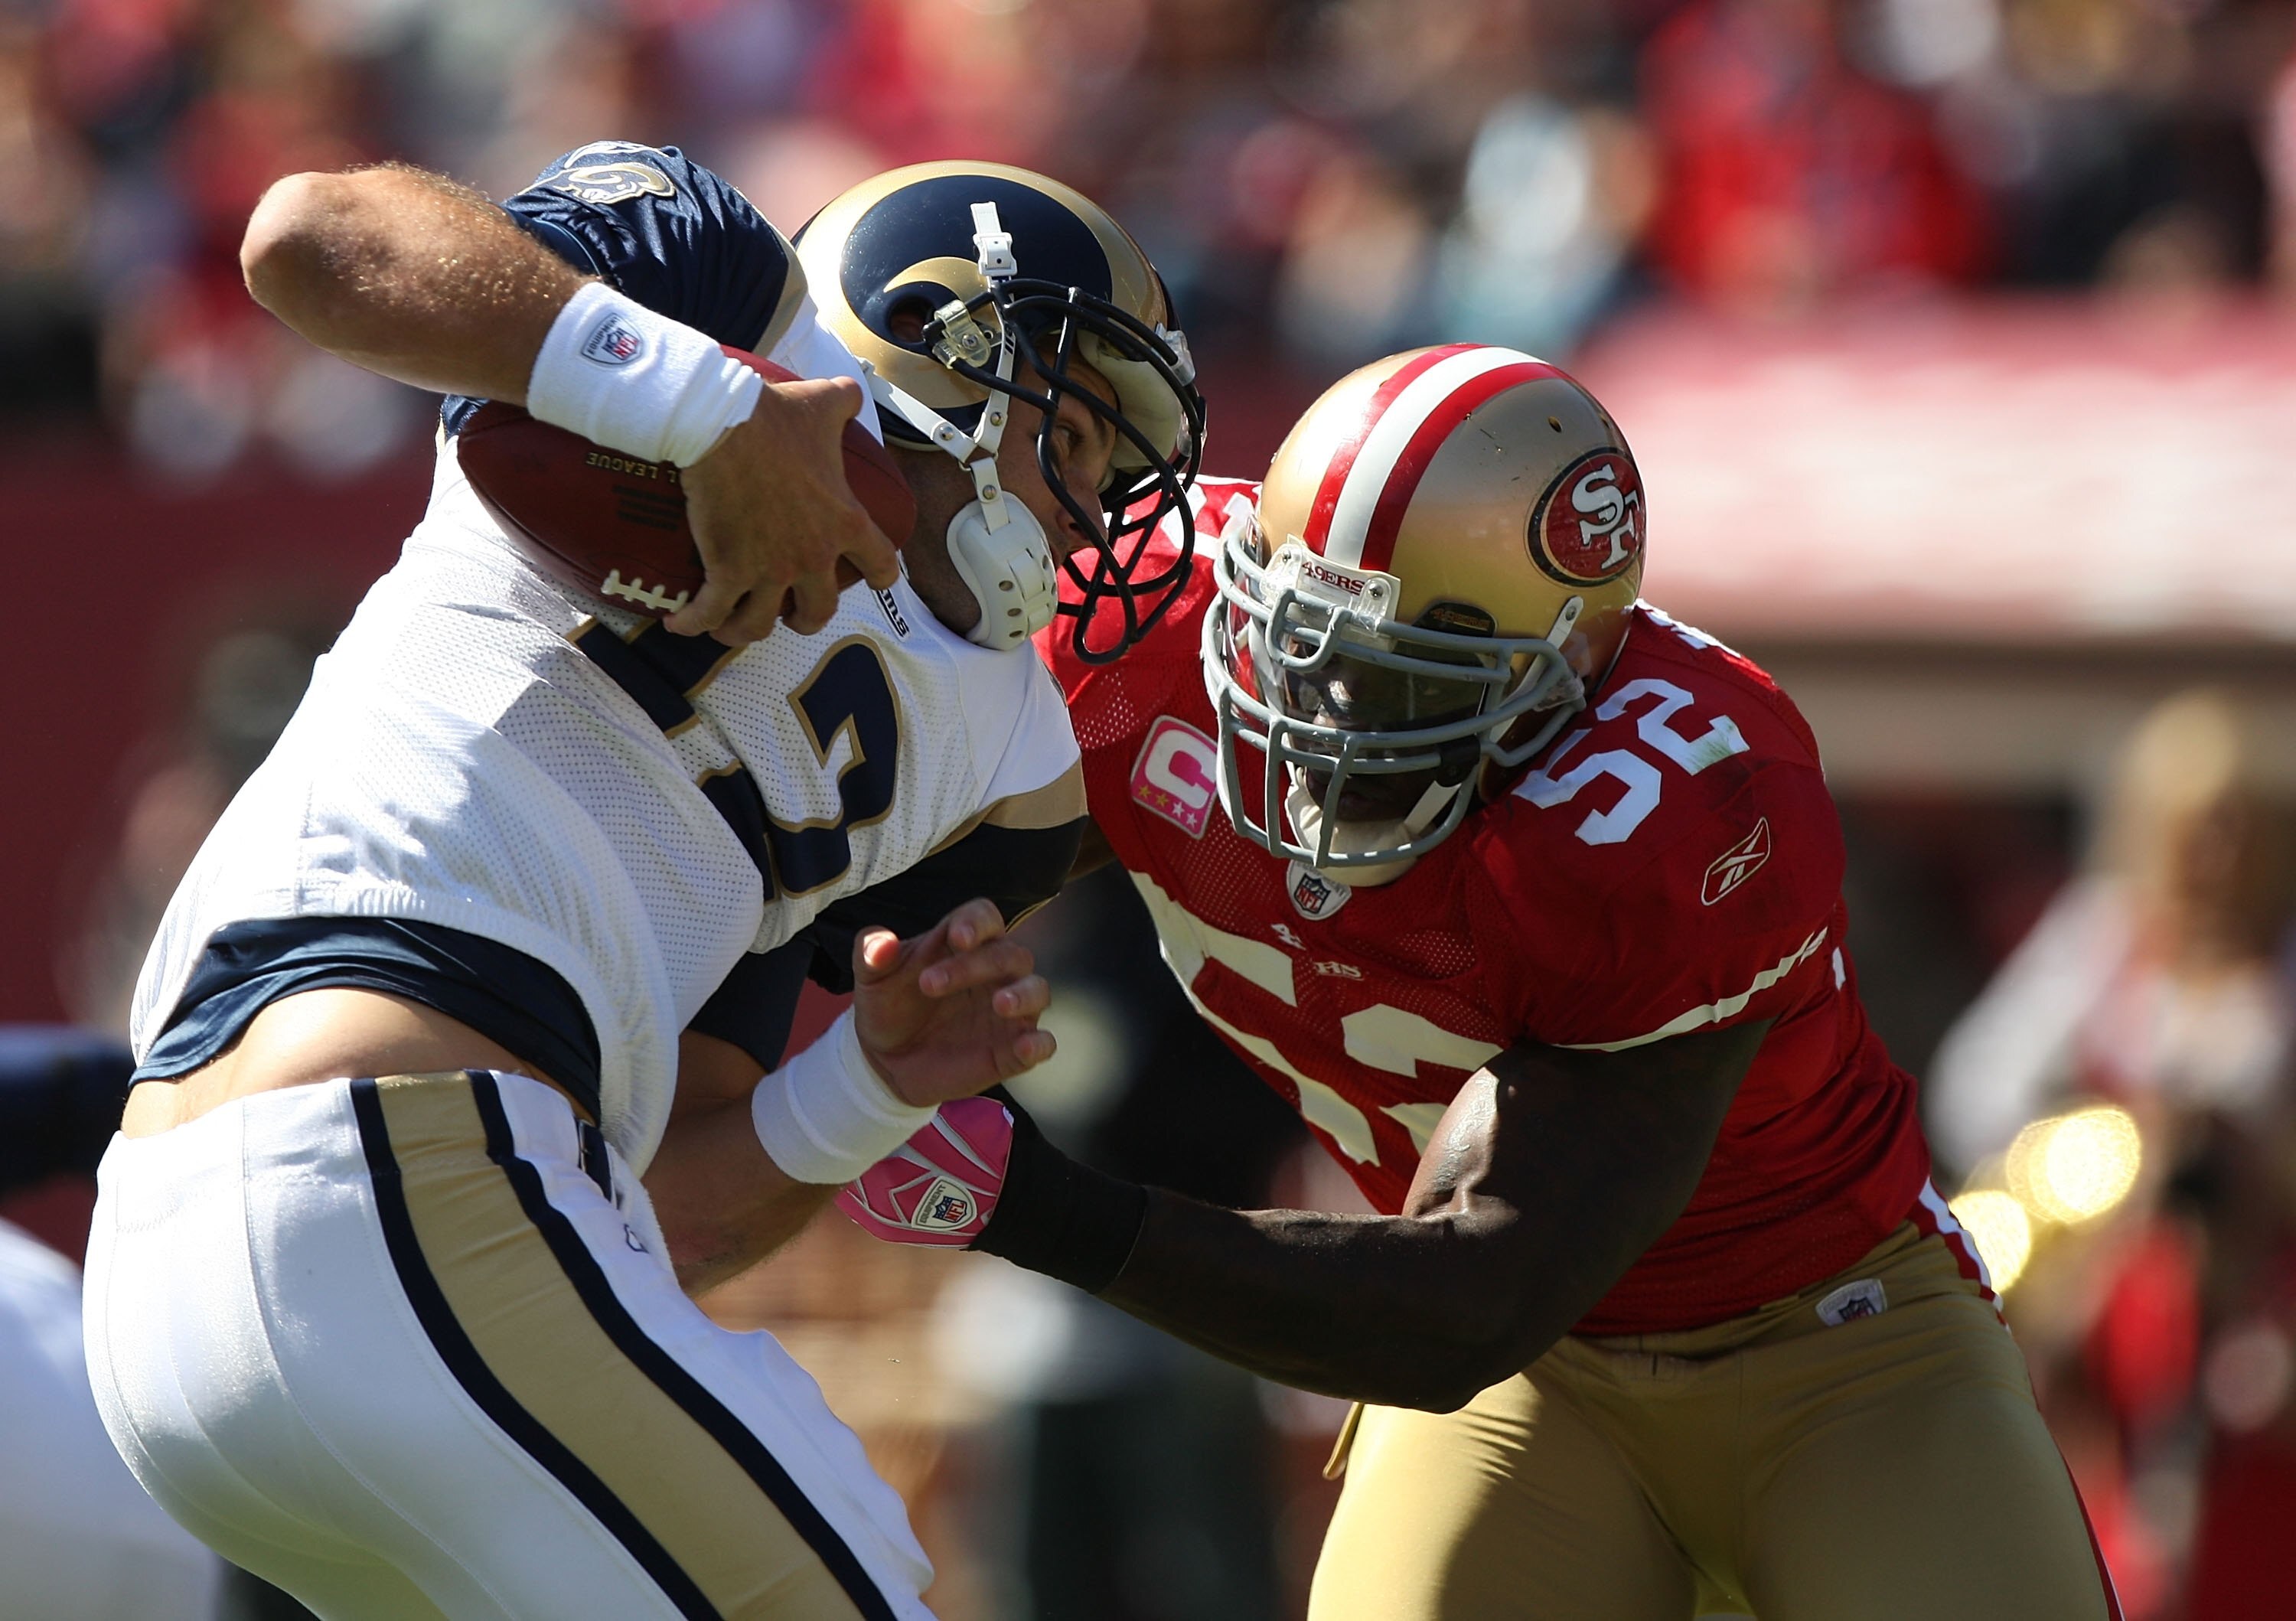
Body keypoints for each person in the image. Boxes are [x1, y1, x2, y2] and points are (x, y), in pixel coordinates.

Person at [86, 143, 1201, 1619]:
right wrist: (703, 407)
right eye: (1089, 434)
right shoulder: (716, 289)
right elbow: (306, 235)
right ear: (961, 340)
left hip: (225, 1280)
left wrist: (865, 1082)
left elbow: (667, 1217)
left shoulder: (1006, 774)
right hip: (393, 1177)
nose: (1099, 509)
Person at [846, 346, 2125, 1619]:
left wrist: (1031, 1206)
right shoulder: (1153, 625)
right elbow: (930, 875)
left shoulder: (1682, 802)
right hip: (1537, 1394)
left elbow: (1470, 1297)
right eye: (1303, 645)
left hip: (1833, 1352)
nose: (1324, 715)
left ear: (1555, 674)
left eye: (1396, 673)